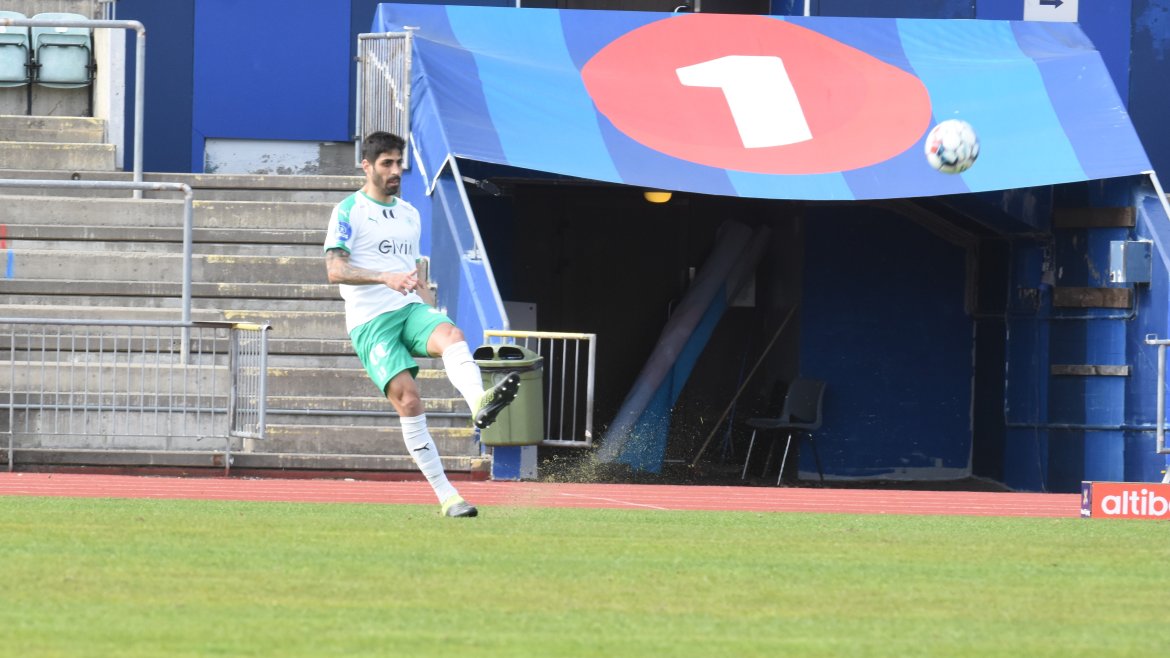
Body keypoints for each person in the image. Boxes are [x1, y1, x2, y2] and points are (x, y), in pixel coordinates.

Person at [324, 131, 519, 518]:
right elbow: (335, 270)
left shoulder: (410, 214)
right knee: (409, 400)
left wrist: (432, 311)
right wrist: (383, 277)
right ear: (367, 166)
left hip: (409, 306)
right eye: (387, 163)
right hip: (370, 321)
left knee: (452, 334)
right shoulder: (349, 211)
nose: (396, 170)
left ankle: (480, 403)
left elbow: (414, 274)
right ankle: (448, 496)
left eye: (400, 163)